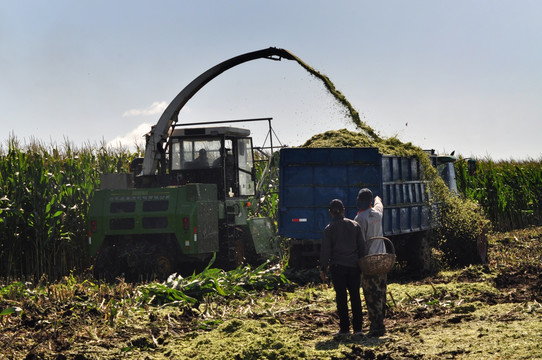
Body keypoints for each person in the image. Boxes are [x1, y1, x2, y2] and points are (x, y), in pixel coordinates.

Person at [320, 199, 365, 336]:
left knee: (341, 297)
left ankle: (344, 329)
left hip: (338, 267)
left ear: (330, 213)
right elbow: (362, 248)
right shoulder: (355, 225)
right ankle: (358, 329)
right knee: (355, 296)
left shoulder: (329, 229)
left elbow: (326, 251)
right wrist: (363, 266)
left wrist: (323, 269)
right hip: (354, 267)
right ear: (344, 211)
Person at [353, 188, 387, 337]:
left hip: (369, 260)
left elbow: (359, 243)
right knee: (381, 291)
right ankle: (381, 323)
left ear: (361, 201)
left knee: (370, 293)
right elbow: (379, 204)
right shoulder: (377, 213)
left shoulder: (359, 219)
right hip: (382, 259)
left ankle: (375, 326)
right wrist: (377, 198)